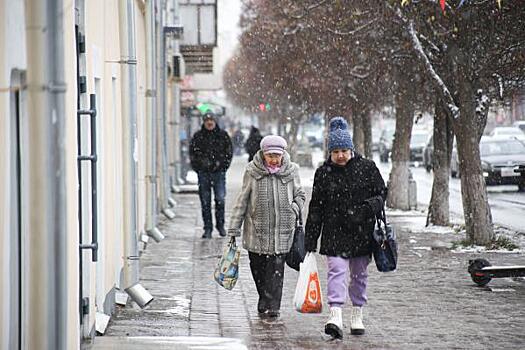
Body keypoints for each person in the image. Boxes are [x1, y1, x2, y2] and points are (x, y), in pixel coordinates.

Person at [304, 116, 387, 339]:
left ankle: (357, 313)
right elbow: (316, 207)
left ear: (351, 149)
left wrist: (367, 208)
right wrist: (310, 238)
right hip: (334, 233)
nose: (340, 155)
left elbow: (381, 194)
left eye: (344, 150)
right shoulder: (323, 173)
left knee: (359, 275)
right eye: (335, 151)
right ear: (330, 152)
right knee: (336, 272)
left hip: (361, 232)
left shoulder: (367, 168)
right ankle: (335, 315)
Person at [228, 135, 306, 318]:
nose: (274, 159)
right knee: (258, 269)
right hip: (256, 232)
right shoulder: (252, 171)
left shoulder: (292, 171)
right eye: (270, 155)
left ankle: (274, 305)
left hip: (283, 232)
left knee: (276, 271)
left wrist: (294, 208)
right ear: (263, 154)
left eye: (277, 155)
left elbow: (300, 195)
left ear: (283, 154)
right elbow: (242, 200)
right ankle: (263, 296)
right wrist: (234, 228)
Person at [189, 112, 233, 238]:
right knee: (205, 202)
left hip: (218, 173)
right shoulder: (198, 136)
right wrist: (199, 167)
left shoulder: (222, 135)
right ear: (204, 122)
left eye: (211, 120)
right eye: (207, 120)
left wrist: (222, 166)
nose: (209, 123)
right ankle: (207, 228)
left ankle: (220, 226)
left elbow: (229, 153)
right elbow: (192, 154)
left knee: (220, 199)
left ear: (215, 121)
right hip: (204, 174)